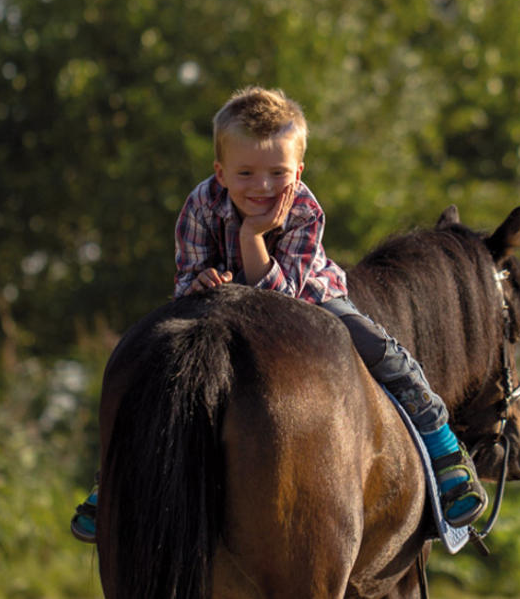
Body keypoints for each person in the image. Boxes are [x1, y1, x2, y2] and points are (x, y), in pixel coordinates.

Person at [70, 86, 487, 543]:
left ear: (298, 171)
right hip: (221, 301)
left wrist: (252, 238)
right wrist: (202, 282)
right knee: (154, 366)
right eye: (245, 172)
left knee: (387, 355)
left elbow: (284, 304)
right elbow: (186, 277)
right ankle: (112, 478)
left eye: (277, 172)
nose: (263, 187)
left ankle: (444, 452)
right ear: (221, 172)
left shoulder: (305, 210)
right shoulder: (200, 204)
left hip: (310, 300)